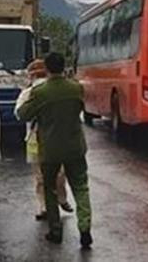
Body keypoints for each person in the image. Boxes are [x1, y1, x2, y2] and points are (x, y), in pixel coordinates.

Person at [17, 52, 92, 250]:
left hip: (50, 149)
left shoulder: (41, 92)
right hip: (75, 146)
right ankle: (85, 229)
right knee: (81, 187)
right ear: (63, 67)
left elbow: (23, 114)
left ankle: (55, 230)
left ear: (48, 69)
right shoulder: (76, 88)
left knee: (49, 188)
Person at [15, 59, 73, 221]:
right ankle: (44, 206)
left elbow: (18, 114)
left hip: (52, 137)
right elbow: (20, 113)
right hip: (35, 138)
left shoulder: (52, 90)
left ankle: (60, 199)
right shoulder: (27, 93)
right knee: (48, 174)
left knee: (51, 174)